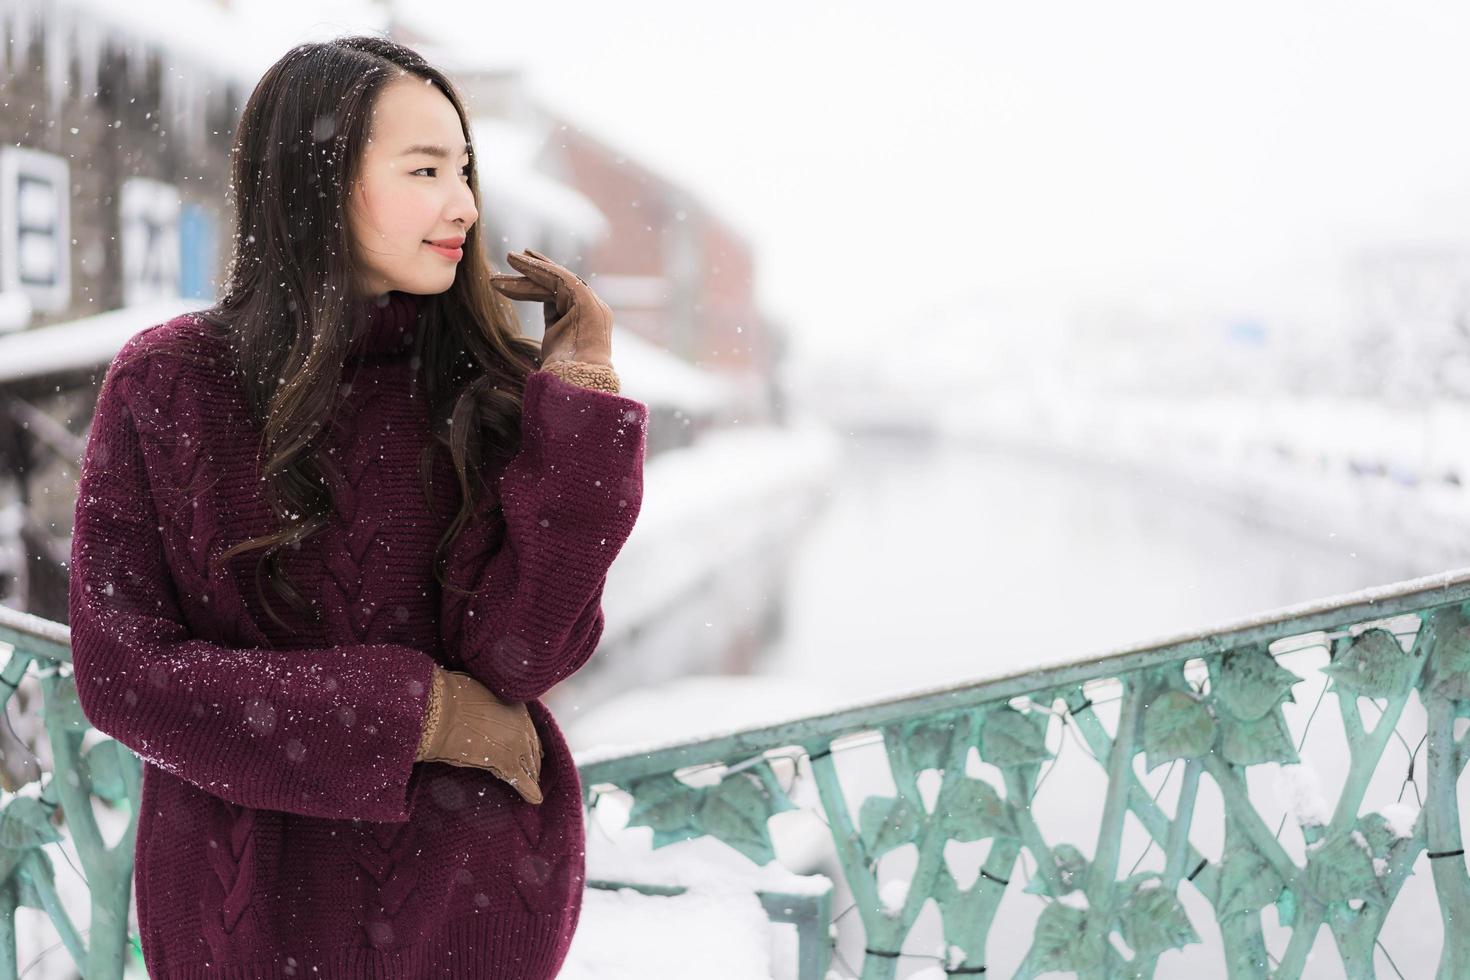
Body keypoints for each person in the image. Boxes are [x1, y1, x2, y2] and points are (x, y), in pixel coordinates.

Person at [66, 34, 647, 979]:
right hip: (236, 917)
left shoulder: (490, 394)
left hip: (473, 911)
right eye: (424, 169)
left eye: (464, 170)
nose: (462, 203)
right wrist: (423, 717)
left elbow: (523, 654)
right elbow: (124, 675)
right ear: (315, 181)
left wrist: (580, 396)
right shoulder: (168, 386)